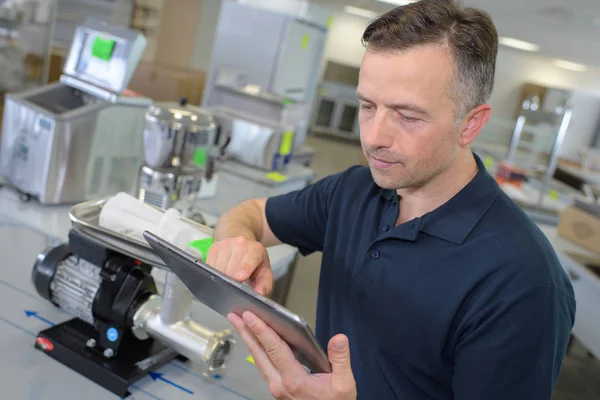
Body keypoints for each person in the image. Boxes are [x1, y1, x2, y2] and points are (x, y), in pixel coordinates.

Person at [207, 0, 576, 398]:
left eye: (408, 115)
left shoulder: (523, 284)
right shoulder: (352, 192)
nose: (373, 137)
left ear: (470, 124)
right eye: (368, 106)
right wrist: (238, 243)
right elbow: (251, 214)